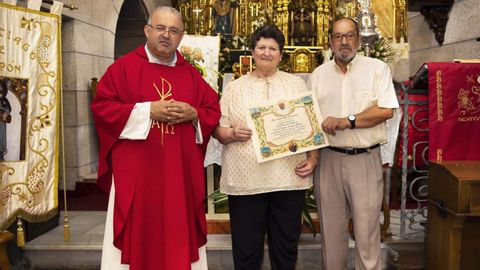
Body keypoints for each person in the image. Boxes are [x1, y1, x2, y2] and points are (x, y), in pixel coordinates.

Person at [91, 6, 221, 270]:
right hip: (137, 175)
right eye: (160, 28)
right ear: (147, 30)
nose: (166, 35)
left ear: (181, 36)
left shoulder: (190, 74)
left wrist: (193, 113)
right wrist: (147, 110)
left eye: (174, 30)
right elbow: (103, 108)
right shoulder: (123, 68)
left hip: (178, 178)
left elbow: (212, 110)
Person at [213, 24, 318, 270]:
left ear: (281, 54)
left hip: (288, 179)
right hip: (246, 181)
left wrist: (313, 159)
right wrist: (230, 133)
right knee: (246, 248)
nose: (267, 52)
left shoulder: (296, 86)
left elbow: (312, 128)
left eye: (273, 48)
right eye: (261, 47)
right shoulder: (234, 88)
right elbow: (218, 129)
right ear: (252, 51)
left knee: (285, 246)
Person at [308, 17, 399, 270]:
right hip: (328, 160)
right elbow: (311, 120)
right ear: (330, 41)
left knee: (367, 230)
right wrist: (313, 158)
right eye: (338, 36)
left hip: (365, 160)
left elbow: (385, 111)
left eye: (349, 36)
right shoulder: (318, 75)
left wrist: (347, 121)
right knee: (331, 231)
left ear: (358, 39)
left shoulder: (377, 69)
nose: (344, 42)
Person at [0, 79, 12, 160]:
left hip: (1, 121)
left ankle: (0, 152)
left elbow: (8, 108)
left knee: (1, 136)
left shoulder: (4, 99)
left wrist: (5, 113)